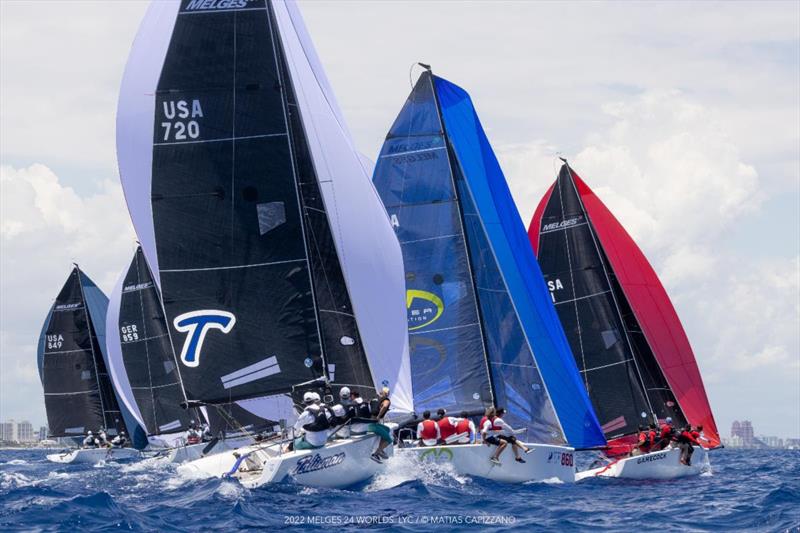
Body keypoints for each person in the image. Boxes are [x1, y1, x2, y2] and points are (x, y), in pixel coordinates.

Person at [368, 387, 394, 463]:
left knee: (387, 429)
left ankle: (380, 449)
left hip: (370, 424)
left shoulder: (375, 401)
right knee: (389, 440)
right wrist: (379, 416)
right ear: (387, 394)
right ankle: (375, 454)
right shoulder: (386, 401)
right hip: (373, 426)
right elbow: (385, 406)